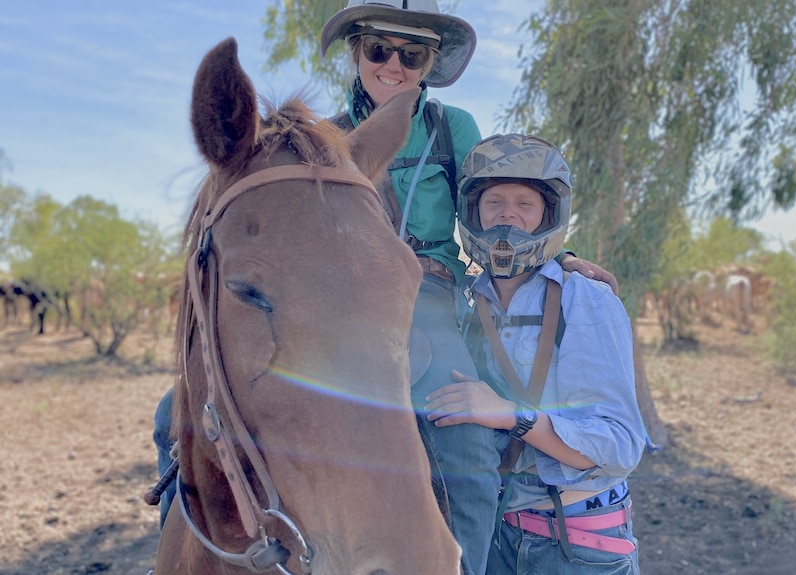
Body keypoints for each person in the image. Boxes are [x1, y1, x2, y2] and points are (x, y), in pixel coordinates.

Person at [150, 2, 618, 572]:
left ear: (428, 64)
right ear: (357, 53)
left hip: (428, 291)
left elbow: (489, 209)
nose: (393, 64)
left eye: (412, 54)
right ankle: (177, 552)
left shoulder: (453, 128)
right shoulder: (330, 136)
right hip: (340, 290)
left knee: (463, 437)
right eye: (379, 49)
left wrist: (552, 254)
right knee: (174, 414)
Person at [425, 133, 645, 574]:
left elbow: (620, 445)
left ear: (549, 214)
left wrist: (513, 415)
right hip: (495, 541)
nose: (508, 213)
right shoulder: (465, 302)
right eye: (494, 202)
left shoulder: (584, 300)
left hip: (578, 549)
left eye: (524, 203)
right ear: (472, 212)